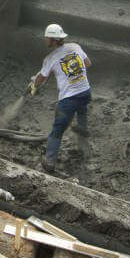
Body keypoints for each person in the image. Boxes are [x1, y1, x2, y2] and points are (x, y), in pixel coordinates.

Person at [28, 23, 91, 172]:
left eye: (47, 38)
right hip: (86, 91)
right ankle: (82, 127)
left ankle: (49, 162)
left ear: (53, 39)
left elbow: (40, 79)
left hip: (68, 100)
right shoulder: (75, 46)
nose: (45, 40)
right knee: (82, 107)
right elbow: (88, 63)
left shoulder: (50, 58)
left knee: (57, 130)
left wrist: (34, 85)